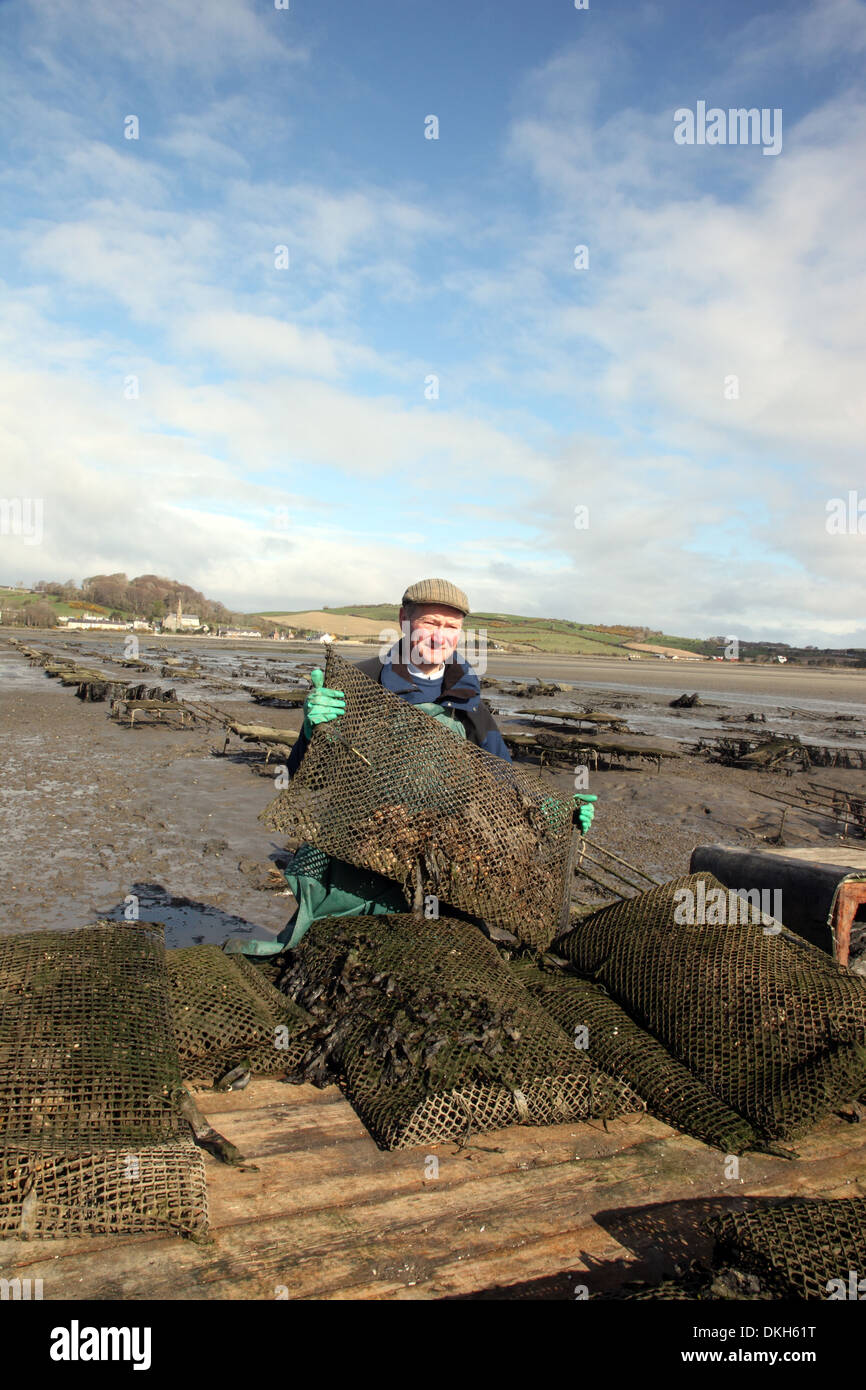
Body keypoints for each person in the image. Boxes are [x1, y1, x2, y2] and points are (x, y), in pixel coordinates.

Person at [230, 578, 595, 953]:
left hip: (443, 869)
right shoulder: (358, 683)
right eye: (431, 624)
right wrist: (311, 731)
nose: (440, 637)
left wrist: (557, 813)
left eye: (451, 627)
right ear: (404, 620)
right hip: (357, 863)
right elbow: (302, 781)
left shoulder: (469, 703)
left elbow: (504, 783)